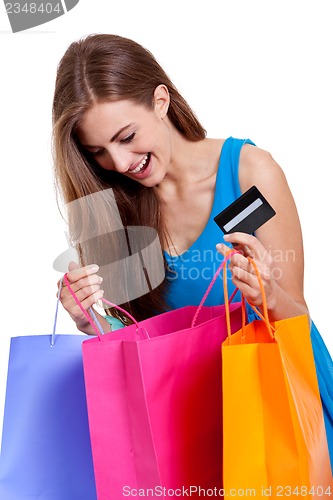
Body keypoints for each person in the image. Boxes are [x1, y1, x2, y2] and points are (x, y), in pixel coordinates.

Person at [52, 33, 333, 465]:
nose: (121, 163)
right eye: (98, 152)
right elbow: (137, 345)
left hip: (275, 413)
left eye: (127, 136)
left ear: (160, 101)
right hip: (185, 428)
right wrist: (90, 318)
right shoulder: (113, 207)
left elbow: (297, 320)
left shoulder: (248, 173)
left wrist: (267, 296)